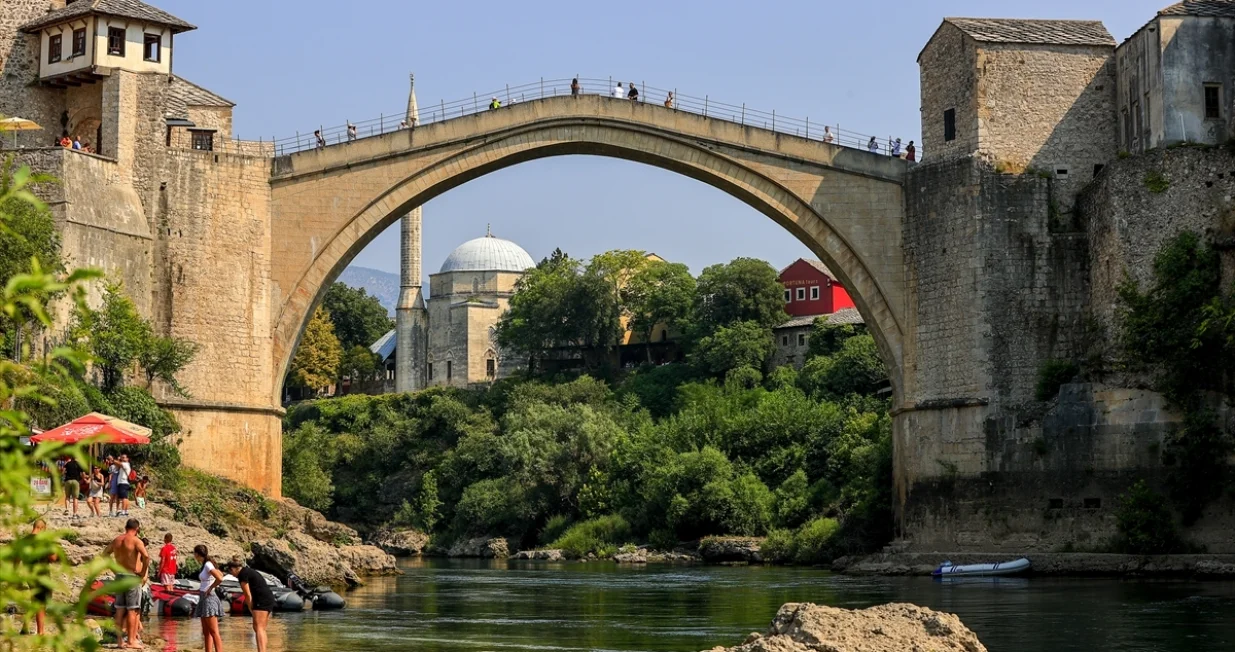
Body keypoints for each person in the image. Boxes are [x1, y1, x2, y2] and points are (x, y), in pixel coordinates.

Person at [100, 518, 150, 649]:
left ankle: (120, 641)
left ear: (125, 527)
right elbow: (146, 557)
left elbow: (104, 554)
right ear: (137, 529)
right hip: (132, 577)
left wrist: (114, 569)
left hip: (119, 576)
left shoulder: (117, 540)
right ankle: (131, 641)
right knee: (132, 609)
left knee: (120, 609)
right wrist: (142, 572)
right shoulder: (135, 540)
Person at [227, 557, 274, 652]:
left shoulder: (242, 574)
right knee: (260, 628)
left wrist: (250, 607)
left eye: (231, 572)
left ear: (234, 568)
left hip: (261, 599)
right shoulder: (248, 571)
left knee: (259, 627)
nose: (232, 574)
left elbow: (247, 594)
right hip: (268, 598)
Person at [193, 545, 226, 652]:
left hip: (209, 598)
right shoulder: (206, 564)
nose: (194, 556)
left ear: (197, 554)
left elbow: (220, 578)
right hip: (203, 597)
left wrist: (211, 587)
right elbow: (221, 574)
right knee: (206, 631)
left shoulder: (207, 564)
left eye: (194, 553)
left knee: (214, 631)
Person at [30, 519, 55, 635]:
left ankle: (25, 627)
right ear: (42, 528)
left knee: (34, 600)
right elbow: (53, 557)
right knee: (41, 603)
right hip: (42, 575)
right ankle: (40, 632)